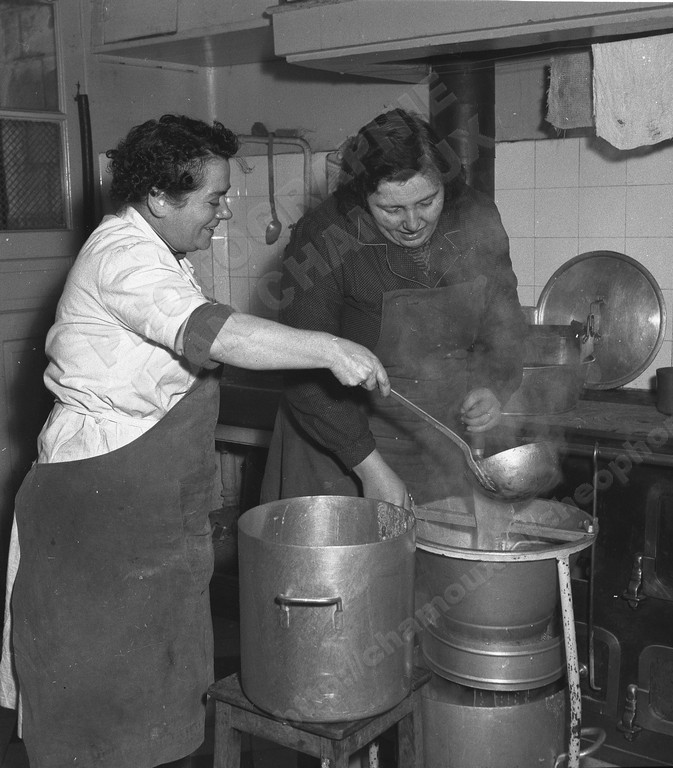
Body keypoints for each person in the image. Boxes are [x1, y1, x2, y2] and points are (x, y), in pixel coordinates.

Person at [0, 114, 389, 768]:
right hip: (97, 504)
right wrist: (329, 348)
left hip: (144, 502)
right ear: (159, 197)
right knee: (95, 707)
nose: (225, 211)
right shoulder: (121, 257)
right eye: (213, 198)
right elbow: (214, 334)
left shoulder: (162, 256)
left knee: (157, 691)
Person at [261, 109, 526, 509]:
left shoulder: (476, 218)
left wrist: (496, 387)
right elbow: (305, 371)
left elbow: (505, 325)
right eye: (392, 210)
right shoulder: (324, 235)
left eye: (427, 201)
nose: (413, 223)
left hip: (434, 443)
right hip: (338, 444)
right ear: (361, 195)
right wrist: (369, 468)